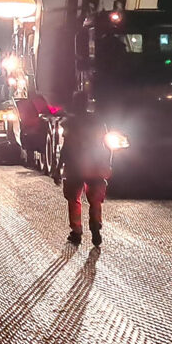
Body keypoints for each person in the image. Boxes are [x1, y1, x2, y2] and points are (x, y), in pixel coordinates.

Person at [59, 91, 111, 246]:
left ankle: (76, 232)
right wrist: (107, 164)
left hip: (75, 167)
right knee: (95, 201)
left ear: (75, 103)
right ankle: (95, 228)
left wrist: (58, 167)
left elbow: (66, 147)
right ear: (87, 103)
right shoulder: (97, 121)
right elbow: (106, 146)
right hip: (94, 165)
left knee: (73, 199)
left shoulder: (70, 123)